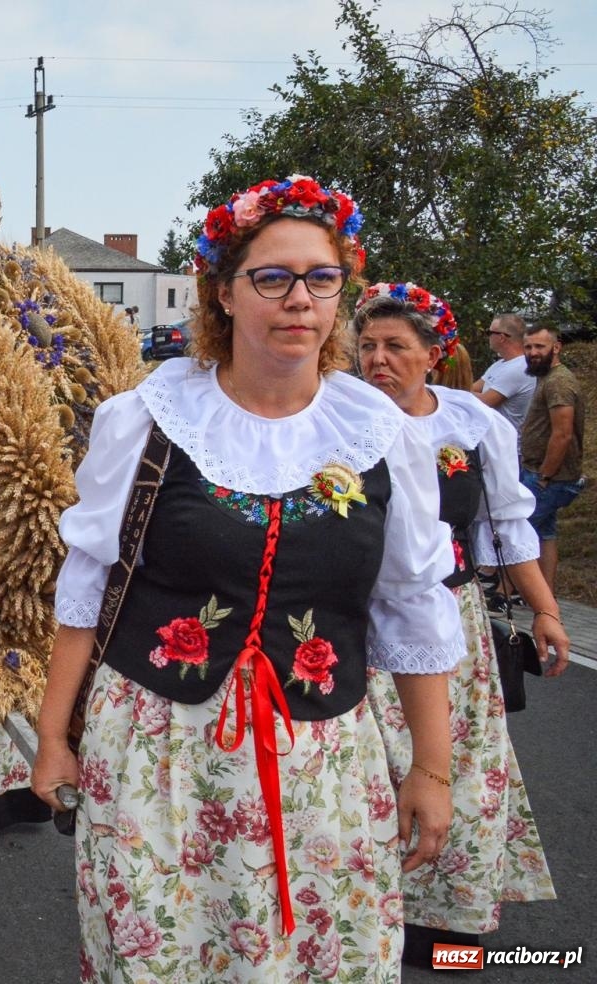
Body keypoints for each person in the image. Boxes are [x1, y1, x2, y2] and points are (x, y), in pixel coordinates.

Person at [32, 176, 466, 980]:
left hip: (325, 763)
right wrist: (55, 738)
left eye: (321, 278)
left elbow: (411, 605)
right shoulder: (148, 420)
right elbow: (87, 583)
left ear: (342, 293)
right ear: (223, 294)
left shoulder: (379, 435)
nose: (299, 299)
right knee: (161, 958)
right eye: (273, 278)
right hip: (160, 757)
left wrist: (432, 771)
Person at [354, 281, 563, 965]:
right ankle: (362, 918)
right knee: (367, 774)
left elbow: (506, 523)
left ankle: (449, 933)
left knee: (455, 773)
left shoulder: (473, 422)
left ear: (434, 353)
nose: (377, 359)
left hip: (451, 620)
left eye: (395, 346)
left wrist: (547, 609)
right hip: (353, 624)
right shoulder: (336, 418)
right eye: (367, 345)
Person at [517, 323, 586, 592]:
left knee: (518, 532)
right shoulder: (547, 377)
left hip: (549, 476)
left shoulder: (559, 382)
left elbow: (562, 435)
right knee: (545, 533)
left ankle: (504, 592)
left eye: (539, 346)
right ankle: (545, 594)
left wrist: (545, 476)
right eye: (528, 347)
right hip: (541, 472)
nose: (533, 352)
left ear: (556, 347)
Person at [472, 313, 536, 428]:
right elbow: (474, 388)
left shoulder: (519, 368)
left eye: (489, 333)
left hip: (507, 443)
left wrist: (454, 390)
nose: (488, 337)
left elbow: (484, 402)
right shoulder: (500, 364)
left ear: (501, 337)